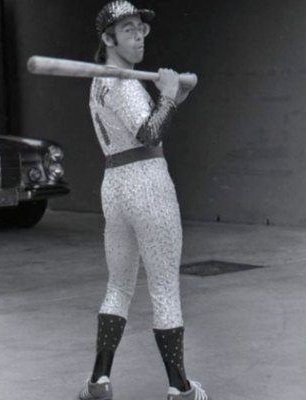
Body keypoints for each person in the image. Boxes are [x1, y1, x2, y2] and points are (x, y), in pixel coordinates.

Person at [79, 1, 209, 399]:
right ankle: (180, 388)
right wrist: (167, 97)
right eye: (128, 29)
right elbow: (149, 132)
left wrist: (175, 98)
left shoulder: (101, 82)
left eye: (141, 29)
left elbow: (144, 125)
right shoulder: (123, 82)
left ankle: (99, 381)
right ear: (107, 38)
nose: (138, 36)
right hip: (147, 184)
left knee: (119, 285)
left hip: (115, 186)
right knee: (165, 288)